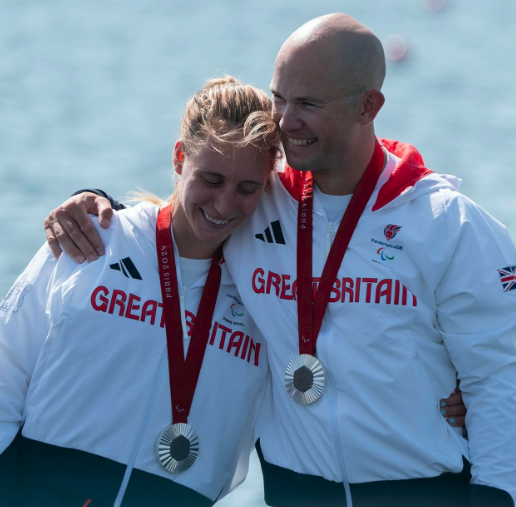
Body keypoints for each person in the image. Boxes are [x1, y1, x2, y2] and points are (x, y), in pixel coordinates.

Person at [42, 13, 516, 507]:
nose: (286, 121)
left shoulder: (446, 223)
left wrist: (497, 494)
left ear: (367, 106)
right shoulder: (256, 199)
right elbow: (180, 221)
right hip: (293, 494)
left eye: (308, 103)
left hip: (426, 494)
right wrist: (92, 203)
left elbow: (501, 375)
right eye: (279, 98)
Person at [0, 76, 282, 507]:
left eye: (247, 189)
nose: (224, 205)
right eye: (211, 178)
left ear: (267, 187)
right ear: (179, 157)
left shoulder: (267, 291)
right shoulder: (93, 237)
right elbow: (6, 370)